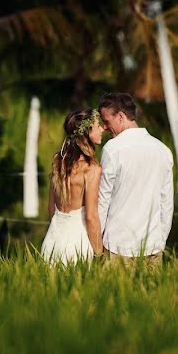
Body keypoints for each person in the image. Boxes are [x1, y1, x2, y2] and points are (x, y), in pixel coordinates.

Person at [97, 92, 174, 263]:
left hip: (116, 247)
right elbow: (166, 203)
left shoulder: (112, 149)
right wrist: (160, 241)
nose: (104, 127)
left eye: (107, 121)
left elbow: (103, 201)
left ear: (121, 117)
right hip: (153, 246)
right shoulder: (163, 151)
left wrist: (97, 245)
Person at [40, 109, 105, 264]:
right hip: (78, 243)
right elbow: (91, 216)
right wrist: (98, 254)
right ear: (87, 132)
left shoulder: (58, 163)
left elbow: (51, 209)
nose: (102, 129)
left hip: (52, 242)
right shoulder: (91, 169)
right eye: (98, 126)